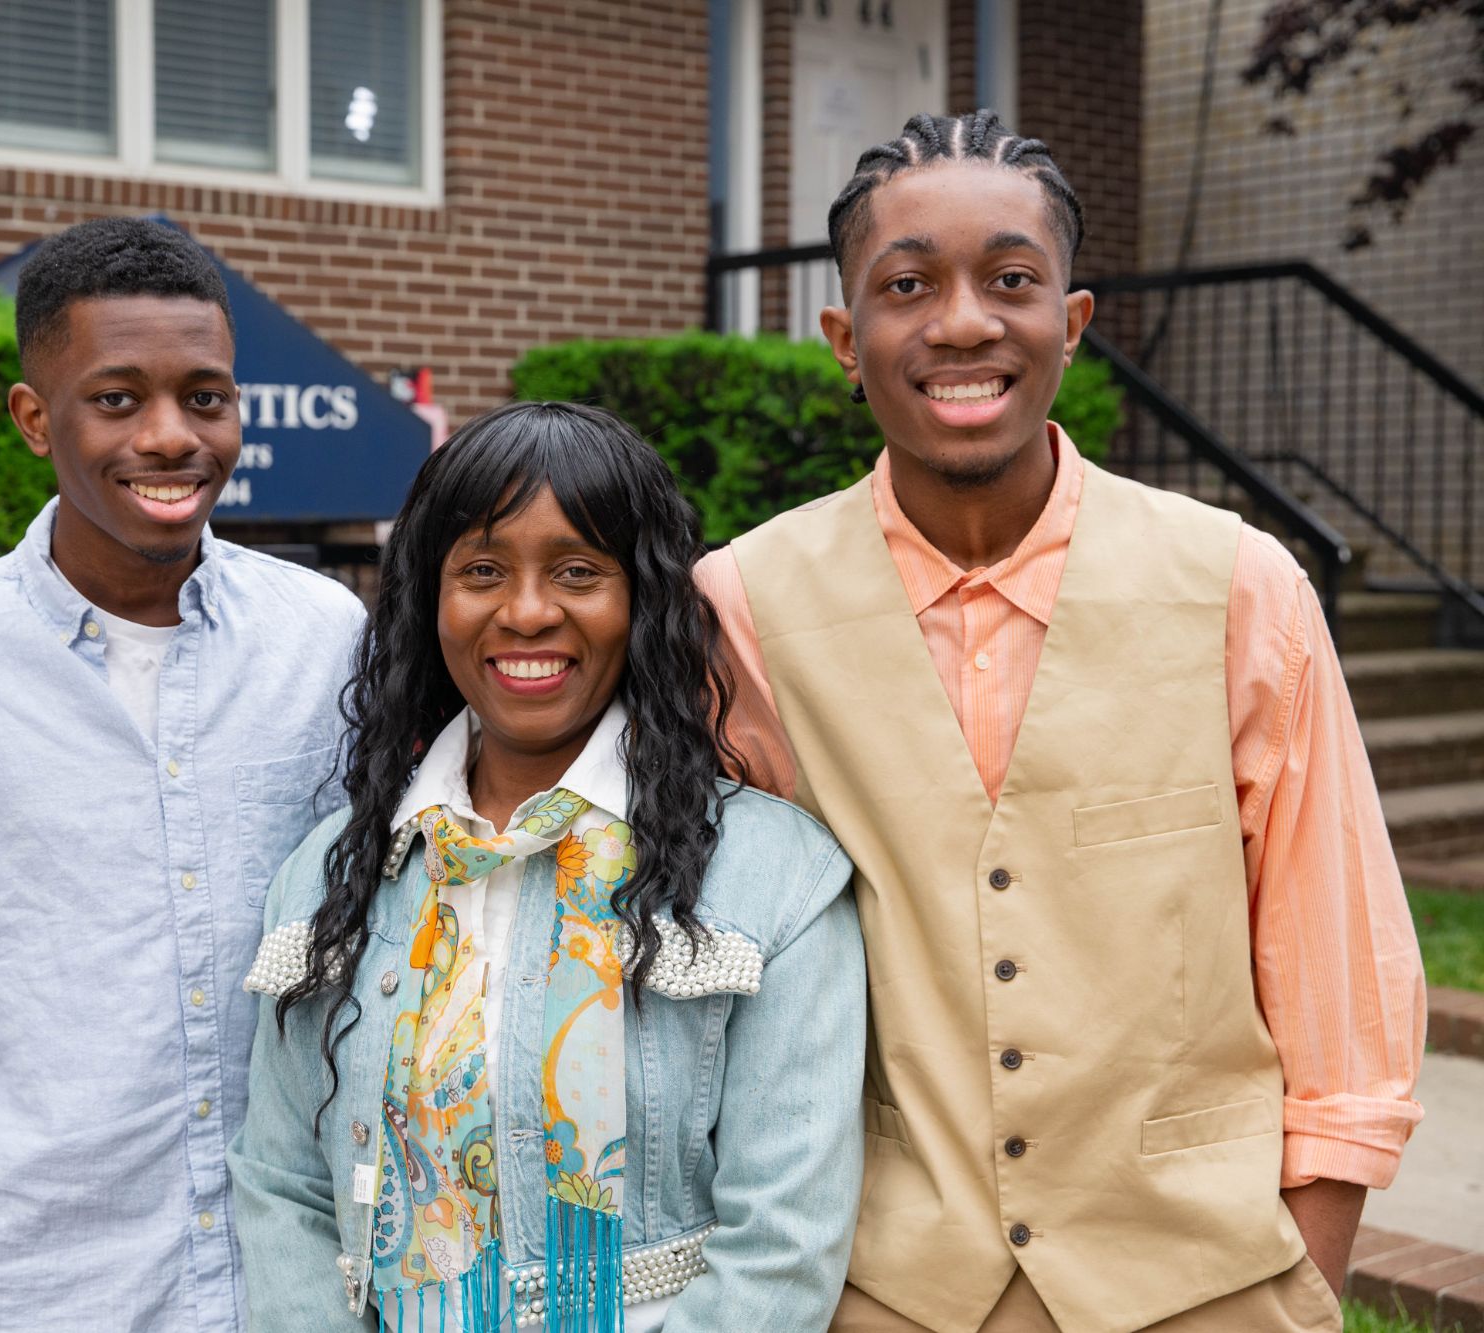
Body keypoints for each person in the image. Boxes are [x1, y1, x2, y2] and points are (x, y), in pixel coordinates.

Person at [696, 110, 1428, 1333]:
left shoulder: (1241, 588)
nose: (963, 321)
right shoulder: (740, 608)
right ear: (843, 337)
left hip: (1206, 1289)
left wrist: (1302, 1284)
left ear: (1071, 325)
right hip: (877, 1290)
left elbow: (1337, 972)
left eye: (1011, 279)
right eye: (908, 284)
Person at [0, 216, 366, 1332]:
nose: (173, 436)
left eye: (207, 396)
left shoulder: (325, 638)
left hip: (285, 1284)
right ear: (35, 419)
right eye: (118, 398)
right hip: (30, 1289)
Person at [228, 402, 865, 1331]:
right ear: (429, 599)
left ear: (641, 599)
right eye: (482, 570)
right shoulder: (334, 873)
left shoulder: (773, 878)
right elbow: (282, 1187)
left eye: (578, 571)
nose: (526, 612)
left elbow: (783, 1243)